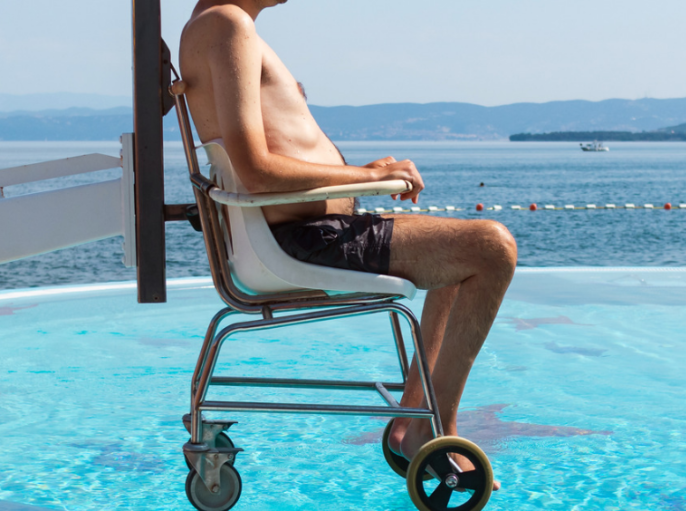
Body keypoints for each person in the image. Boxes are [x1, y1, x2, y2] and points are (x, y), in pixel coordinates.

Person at [179, 0, 515, 490]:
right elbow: (254, 168)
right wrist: (369, 176)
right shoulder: (226, 24)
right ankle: (432, 426)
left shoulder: (220, 27)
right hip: (302, 241)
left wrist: (360, 177)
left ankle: (415, 422)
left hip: (304, 232)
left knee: (460, 253)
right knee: (491, 248)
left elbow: (269, 153)